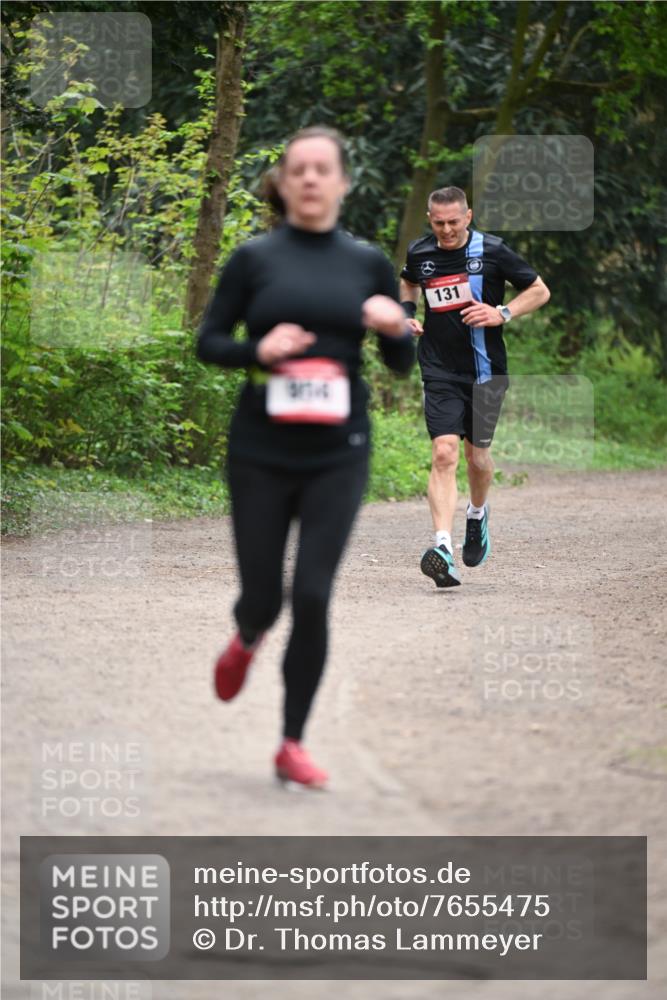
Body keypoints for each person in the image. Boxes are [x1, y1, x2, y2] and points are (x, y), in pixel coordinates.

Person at [197, 126, 414, 789]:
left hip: (337, 451)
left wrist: (395, 325)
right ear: (285, 184)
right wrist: (256, 352)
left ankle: (291, 742)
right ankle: (247, 635)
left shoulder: (369, 264)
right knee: (263, 598)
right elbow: (208, 342)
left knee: (313, 594)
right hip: (259, 447)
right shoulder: (253, 259)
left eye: (324, 170)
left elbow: (402, 365)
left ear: (343, 182)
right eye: (300, 170)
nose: (312, 180)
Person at [399, 186, 550, 588]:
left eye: (453, 221)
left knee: (477, 458)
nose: (446, 230)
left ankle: (478, 513)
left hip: (486, 371)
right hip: (439, 369)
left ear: (468, 216)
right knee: (444, 452)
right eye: (438, 222)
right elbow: (409, 284)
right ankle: (443, 548)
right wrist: (407, 315)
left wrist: (502, 312)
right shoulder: (421, 253)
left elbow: (539, 290)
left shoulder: (494, 251)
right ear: (430, 220)